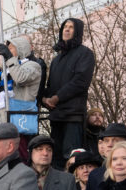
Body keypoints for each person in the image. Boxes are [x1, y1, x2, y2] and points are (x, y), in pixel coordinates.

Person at [42, 18, 95, 169]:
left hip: (73, 116)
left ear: (77, 31)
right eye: (65, 26)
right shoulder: (56, 60)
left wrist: (57, 98)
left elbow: (80, 82)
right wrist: (45, 99)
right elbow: (50, 86)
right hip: (56, 116)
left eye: (71, 27)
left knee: (71, 159)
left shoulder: (85, 54)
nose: (67, 29)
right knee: (56, 159)